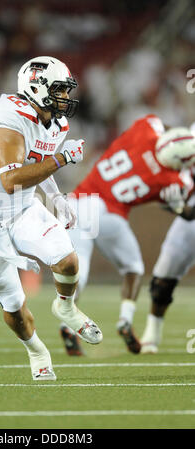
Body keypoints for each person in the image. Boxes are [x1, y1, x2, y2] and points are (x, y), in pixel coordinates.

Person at [0, 56, 102, 382]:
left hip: (23, 208)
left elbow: (36, 161)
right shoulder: (9, 116)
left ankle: (65, 306)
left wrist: (55, 197)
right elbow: (11, 181)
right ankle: (37, 350)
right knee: (15, 308)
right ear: (37, 88)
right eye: (60, 90)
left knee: (67, 261)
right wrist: (63, 159)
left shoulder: (57, 122)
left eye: (67, 90)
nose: (66, 97)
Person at [61, 117, 195, 356]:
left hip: (78, 202)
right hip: (109, 212)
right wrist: (176, 207)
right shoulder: (172, 180)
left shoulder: (146, 128)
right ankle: (125, 319)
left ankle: (68, 325)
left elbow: (159, 124)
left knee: (78, 268)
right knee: (133, 268)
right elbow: (187, 214)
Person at [141, 186, 195, 354]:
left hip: (190, 215)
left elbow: (188, 212)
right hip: (189, 225)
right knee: (161, 282)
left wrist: (178, 206)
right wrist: (165, 196)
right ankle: (152, 332)